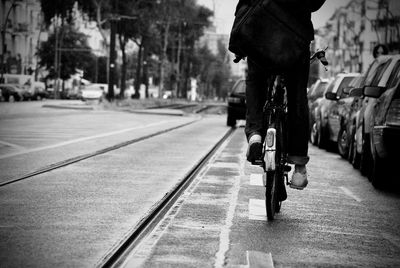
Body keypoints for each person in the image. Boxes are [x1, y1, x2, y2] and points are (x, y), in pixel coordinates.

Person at [239, 0, 325, 190]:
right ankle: (299, 166)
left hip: (259, 34)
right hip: (294, 40)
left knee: (255, 82)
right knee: (297, 95)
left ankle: (255, 133)